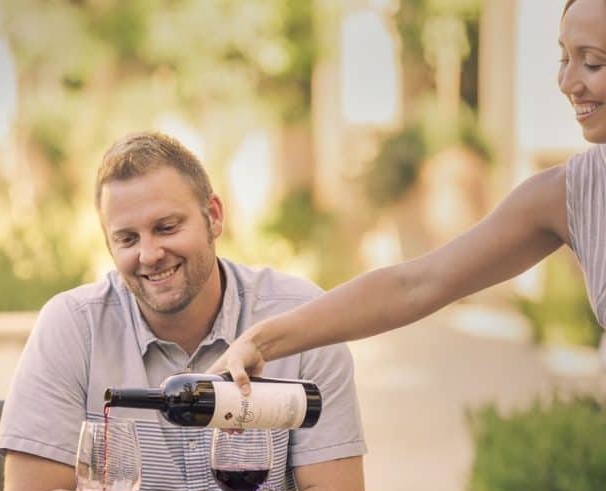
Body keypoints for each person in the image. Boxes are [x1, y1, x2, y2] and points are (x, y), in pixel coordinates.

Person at [0, 131, 387, 491]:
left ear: (214, 216)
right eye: (126, 237)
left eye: (167, 227)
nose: (149, 254)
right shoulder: (73, 326)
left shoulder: (300, 317)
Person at [210, 0, 605, 391]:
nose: (568, 83)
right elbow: (414, 284)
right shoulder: (569, 193)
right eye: (564, 58)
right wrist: (260, 341)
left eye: (592, 62)